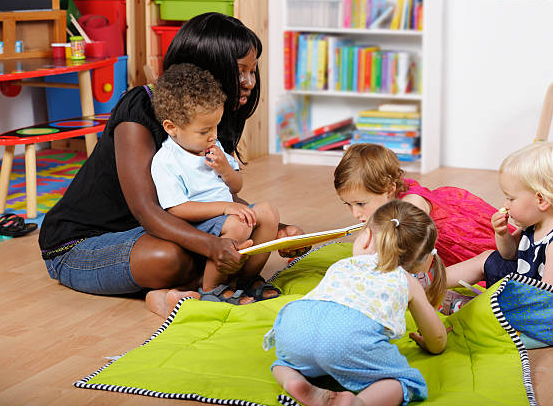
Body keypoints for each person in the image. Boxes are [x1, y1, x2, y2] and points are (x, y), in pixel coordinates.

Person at [38, 13, 305, 317]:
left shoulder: (212, 116)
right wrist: (212, 245)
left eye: (253, 71)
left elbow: (211, 192)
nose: (249, 83)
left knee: (235, 232)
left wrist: (275, 231)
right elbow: (148, 211)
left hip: (155, 230)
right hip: (82, 244)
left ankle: (183, 292)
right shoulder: (139, 109)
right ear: (209, 69)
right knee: (172, 256)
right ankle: (186, 290)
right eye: (240, 71)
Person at [263, 200, 448, 406]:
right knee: (405, 382)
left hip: (294, 326)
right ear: (421, 259)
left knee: (283, 364)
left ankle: (292, 380)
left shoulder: (342, 264)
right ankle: (358, 403)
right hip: (348, 337)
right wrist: (430, 343)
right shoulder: (407, 280)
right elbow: (438, 339)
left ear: (367, 237)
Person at [150, 63, 280, 306]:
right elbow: (176, 209)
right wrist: (225, 208)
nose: (213, 135)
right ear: (172, 127)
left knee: (268, 213)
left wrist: (225, 169)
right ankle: (213, 289)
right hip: (200, 224)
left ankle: (246, 278)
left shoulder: (213, 147)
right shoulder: (166, 160)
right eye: (204, 130)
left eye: (216, 126)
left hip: (227, 215)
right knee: (238, 225)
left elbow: (236, 186)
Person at [446, 141, 553, 303]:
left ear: (541, 200)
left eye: (511, 198)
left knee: (502, 297)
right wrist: (502, 233)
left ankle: (472, 305)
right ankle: (429, 283)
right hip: (531, 285)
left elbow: (547, 299)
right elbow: (509, 254)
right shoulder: (537, 221)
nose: (505, 205)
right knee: (488, 258)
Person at [333, 143, 514, 269]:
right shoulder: (384, 198)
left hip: (453, 241)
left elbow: (412, 250)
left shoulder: (412, 205)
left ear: (389, 189)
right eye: (348, 204)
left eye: (361, 204)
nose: (355, 212)